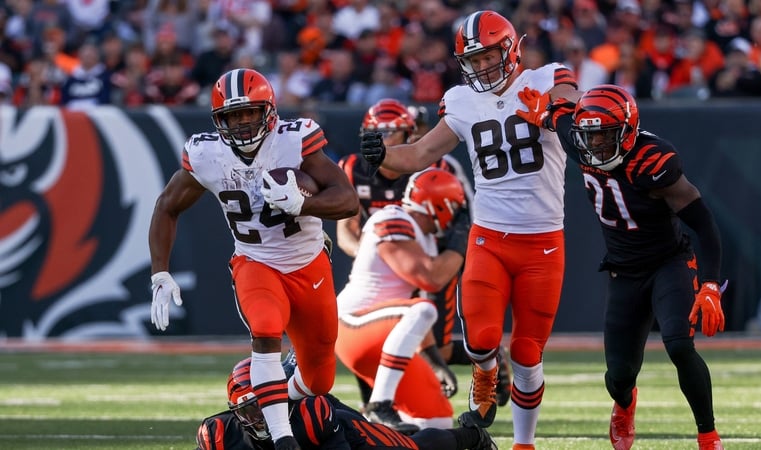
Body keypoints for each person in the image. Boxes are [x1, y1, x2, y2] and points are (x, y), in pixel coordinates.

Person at [360, 10, 581, 450]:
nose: (480, 67)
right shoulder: (462, 101)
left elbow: (569, 93)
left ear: (511, 49)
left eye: (488, 56)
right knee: (480, 341)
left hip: (542, 241)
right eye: (472, 60)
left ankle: (524, 442)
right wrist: (381, 154)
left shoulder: (545, 77)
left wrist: (555, 107)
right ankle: (483, 375)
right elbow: (419, 153)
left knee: (527, 354)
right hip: (490, 237)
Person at [149, 68, 359, 450]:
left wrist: (303, 203)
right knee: (264, 330)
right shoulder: (206, 153)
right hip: (254, 260)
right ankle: (282, 438)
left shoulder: (294, 141)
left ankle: (277, 396)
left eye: (250, 113)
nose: (243, 123)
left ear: (269, 111)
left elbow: (347, 200)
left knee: (319, 381)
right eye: (233, 116)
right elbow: (166, 207)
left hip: (308, 263)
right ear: (219, 121)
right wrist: (160, 272)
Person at [515, 83, 725, 450]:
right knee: (619, 376)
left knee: (678, 344)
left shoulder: (654, 162)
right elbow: (561, 116)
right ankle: (625, 403)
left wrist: (709, 284)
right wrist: (546, 113)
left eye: (605, 135)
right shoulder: (579, 138)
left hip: (668, 263)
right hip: (623, 271)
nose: (595, 144)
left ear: (627, 132)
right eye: (590, 136)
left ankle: (708, 436)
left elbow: (704, 223)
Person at [338, 99, 511, 409]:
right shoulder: (352, 168)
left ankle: (486, 355)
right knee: (373, 335)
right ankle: (377, 407)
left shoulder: (438, 166)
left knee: (437, 349)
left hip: (434, 256)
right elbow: (345, 233)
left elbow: (464, 218)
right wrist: (381, 253)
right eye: (375, 134)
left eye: (390, 134)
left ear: (410, 135)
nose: (383, 142)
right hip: (387, 264)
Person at [335, 168, 468, 434]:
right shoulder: (393, 218)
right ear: (436, 204)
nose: (453, 218)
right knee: (422, 310)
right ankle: (379, 405)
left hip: (386, 338)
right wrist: (460, 243)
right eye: (451, 208)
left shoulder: (425, 240)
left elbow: (414, 308)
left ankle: (379, 436)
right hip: (352, 325)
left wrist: (435, 362)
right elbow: (431, 279)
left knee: (436, 421)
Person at [196, 356, 498, 450]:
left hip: (340, 432)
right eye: (252, 409)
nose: (262, 416)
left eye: (268, 404)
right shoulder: (216, 436)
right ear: (236, 412)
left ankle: (472, 436)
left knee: (409, 448)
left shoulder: (312, 415)